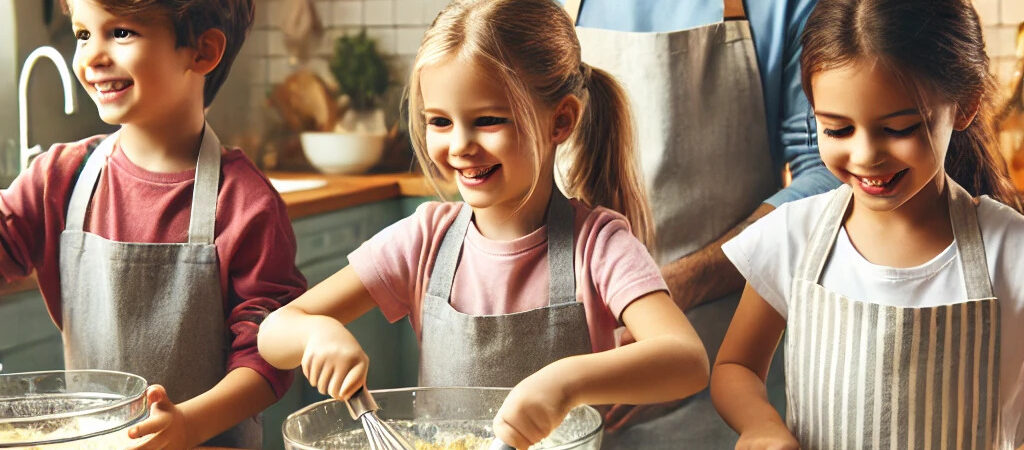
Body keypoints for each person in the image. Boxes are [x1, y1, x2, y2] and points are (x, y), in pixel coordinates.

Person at [256, 0, 710, 447]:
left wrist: (566, 383)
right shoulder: (424, 240)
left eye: (488, 121)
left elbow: (686, 360)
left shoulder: (598, 245)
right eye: (439, 121)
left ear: (561, 121)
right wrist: (317, 331)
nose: (459, 145)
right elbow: (274, 332)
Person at [714, 0, 1024, 447]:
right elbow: (736, 368)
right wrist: (762, 424)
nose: (865, 157)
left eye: (899, 129)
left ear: (964, 105)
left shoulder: (1010, 251)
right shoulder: (792, 237)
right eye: (837, 130)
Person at [0, 0, 306, 447]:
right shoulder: (59, 179)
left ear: (202, 51)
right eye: (84, 34)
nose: (92, 57)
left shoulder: (245, 204)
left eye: (121, 33)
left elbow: (267, 359)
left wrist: (189, 424)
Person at [557, 0, 841, 446]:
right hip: (569, 387)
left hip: (726, 374)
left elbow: (829, 176)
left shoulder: (784, 7)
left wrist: (673, 295)